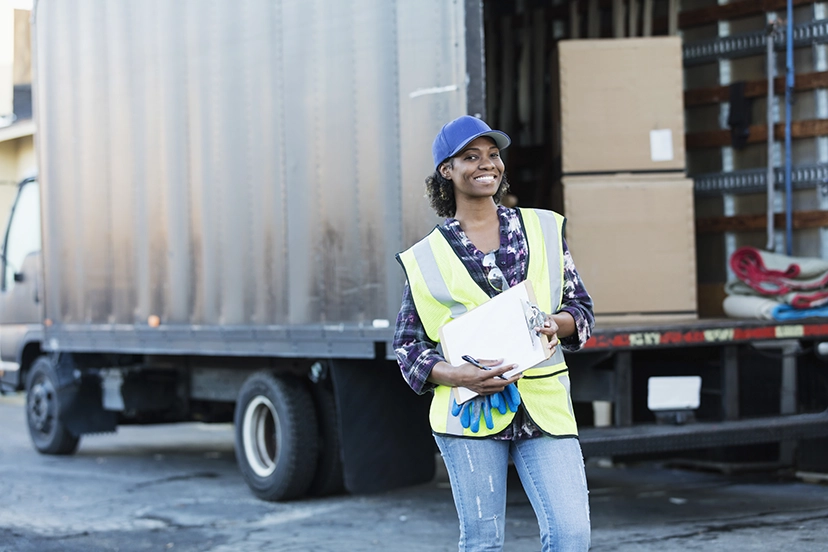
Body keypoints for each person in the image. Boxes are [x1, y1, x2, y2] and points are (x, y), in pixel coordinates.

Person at [393, 115, 594, 552]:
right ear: (447, 171)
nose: (487, 164)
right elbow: (409, 348)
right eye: (470, 157)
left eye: (492, 154)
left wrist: (554, 324)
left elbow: (580, 310)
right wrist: (458, 376)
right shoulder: (426, 256)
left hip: (544, 404)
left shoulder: (542, 229)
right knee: (483, 542)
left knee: (572, 536)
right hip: (469, 415)